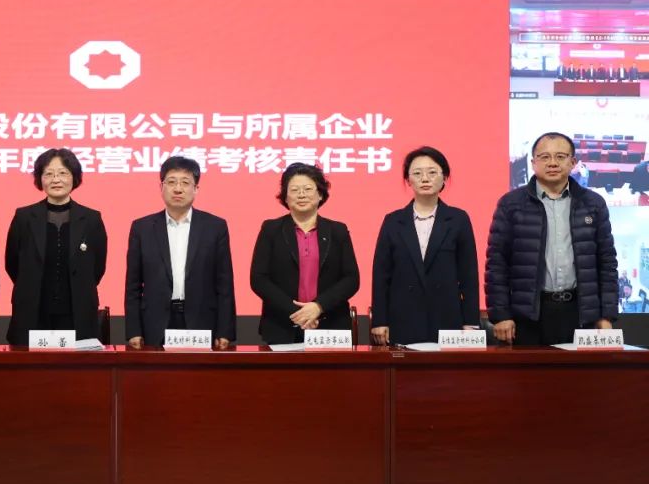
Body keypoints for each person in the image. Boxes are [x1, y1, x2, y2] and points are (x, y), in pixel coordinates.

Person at [486, 131, 618, 350]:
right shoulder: (511, 204)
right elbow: (497, 263)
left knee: (580, 373)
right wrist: (500, 315)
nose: (553, 163)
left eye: (560, 156)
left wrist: (606, 316)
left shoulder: (593, 204)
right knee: (528, 372)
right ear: (533, 163)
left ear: (573, 162)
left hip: (579, 313)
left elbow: (607, 263)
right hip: (528, 315)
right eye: (545, 157)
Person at [371, 147, 479, 346]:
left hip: (446, 318)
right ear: (408, 180)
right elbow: (381, 275)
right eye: (417, 173)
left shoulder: (458, 219)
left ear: (444, 178)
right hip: (403, 318)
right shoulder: (393, 221)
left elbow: (469, 275)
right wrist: (379, 320)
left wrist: (471, 322)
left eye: (432, 172)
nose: (425, 179)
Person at [125, 156, 236, 349]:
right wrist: (133, 329)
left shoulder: (215, 227)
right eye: (171, 182)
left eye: (185, 182)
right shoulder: (142, 228)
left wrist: (225, 330)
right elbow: (133, 285)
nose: (178, 189)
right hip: (155, 324)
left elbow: (224, 284)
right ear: (161, 187)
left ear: (196, 189)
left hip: (202, 321)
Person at [5, 148, 107, 345]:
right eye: (48, 174)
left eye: (63, 173)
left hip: (76, 313)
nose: (56, 179)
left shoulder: (91, 219)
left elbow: (97, 268)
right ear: (40, 179)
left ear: (74, 178)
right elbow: (12, 264)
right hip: (33, 312)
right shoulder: (24, 217)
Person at [251, 163, 359, 344]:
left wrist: (318, 307)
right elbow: (259, 279)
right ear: (285, 196)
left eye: (308, 189)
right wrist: (298, 313)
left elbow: (351, 279)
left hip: (330, 324)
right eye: (294, 190)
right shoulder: (271, 229)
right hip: (281, 326)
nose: (301, 195)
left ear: (320, 194)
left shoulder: (338, 231)